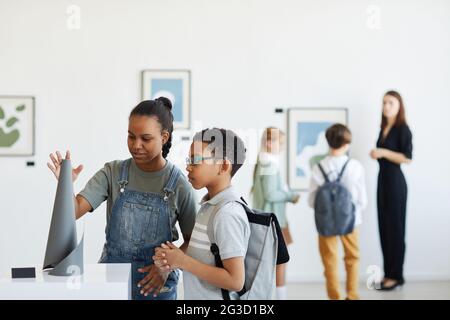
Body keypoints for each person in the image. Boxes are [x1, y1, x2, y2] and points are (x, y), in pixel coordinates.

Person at [47, 98, 197, 300]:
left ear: (164, 137)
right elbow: (73, 212)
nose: (136, 145)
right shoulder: (113, 172)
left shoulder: (179, 185)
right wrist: (65, 183)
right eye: (131, 136)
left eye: (146, 138)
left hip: (155, 287)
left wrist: (166, 266)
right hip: (110, 284)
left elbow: (193, 242)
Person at [152, 128, 250, 300]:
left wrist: (182, 262)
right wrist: (174, 256)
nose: (188, 167)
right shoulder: (209, 206)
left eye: (196, 160)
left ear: (223, 166)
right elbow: (204, 254)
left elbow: (235, 281)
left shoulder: (227, 213)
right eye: (189, 159)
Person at [309, 124, 367, 300]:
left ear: (328, 142)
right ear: (347, 143)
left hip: (325, 221)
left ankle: (334, 297)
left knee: (329, 261)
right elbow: (361, 200)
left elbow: (312, 200)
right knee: (352, 258)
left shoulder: (318, 167)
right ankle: (352, 294)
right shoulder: (355, 166)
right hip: (351, 220)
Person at [370, 90, 413, 290]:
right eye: (384, 102)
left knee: (395, 228)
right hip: (382, 182)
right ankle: (389, 274)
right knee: (384, 228)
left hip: (396, 184)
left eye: (391, 103)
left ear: (399, 106)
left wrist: (383, 152)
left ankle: (396, 275)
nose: (386, 106)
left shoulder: (403, 129)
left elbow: (407, 158)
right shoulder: (383, 128)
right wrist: (377, 154)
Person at [251, 127, 300, 300]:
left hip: (267, 219)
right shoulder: (269, 163)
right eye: (269, 139)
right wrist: (291, 196)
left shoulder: (262, 161)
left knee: (270, 261)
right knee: (280, 261)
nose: (271, 143)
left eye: (275, 140)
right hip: (273, 220)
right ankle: (280, 297)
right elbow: (271, 194)